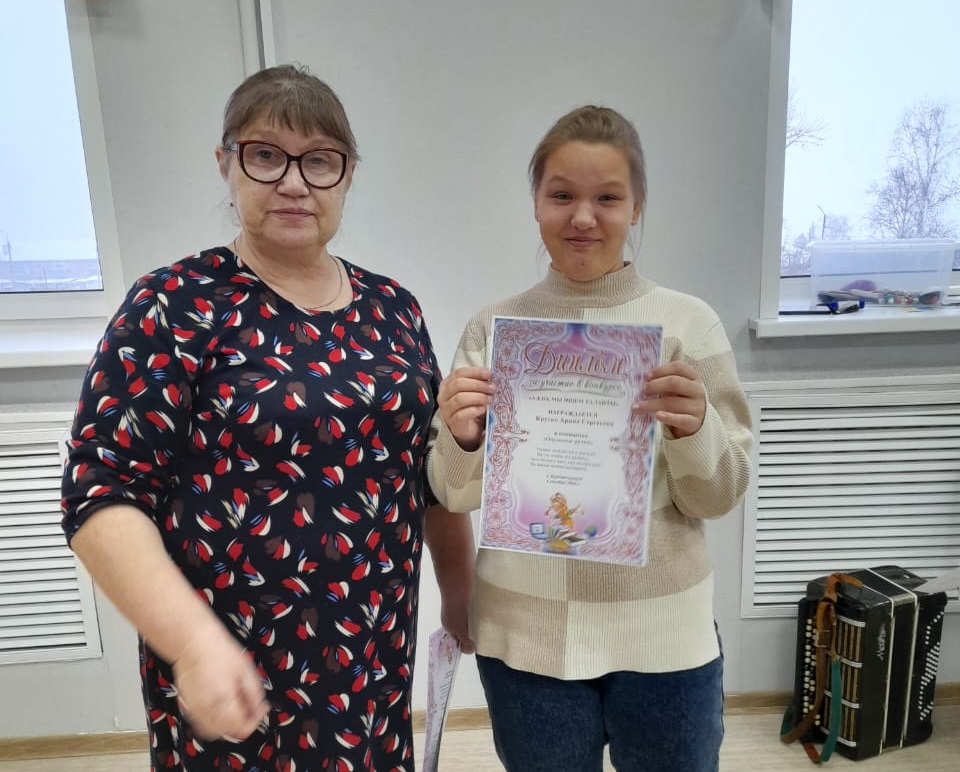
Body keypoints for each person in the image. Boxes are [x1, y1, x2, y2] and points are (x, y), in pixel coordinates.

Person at [61, 64, 449, 772]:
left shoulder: (394, 310)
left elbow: (429, 477)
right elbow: (101, 495)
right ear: (226, 163)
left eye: (320, 161)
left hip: (370, 667)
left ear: (348, 174)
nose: (294, 183)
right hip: (229, 673)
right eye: (266, 155)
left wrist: (463, 591)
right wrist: (192, 645)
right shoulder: (173, 304)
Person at [426, 105, 754, 772]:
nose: (583, 217)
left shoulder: (688, 324)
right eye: (561, 195)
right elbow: (453, 496)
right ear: (536, 203)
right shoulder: (494, 330)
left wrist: (695, 428)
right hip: (526, 640)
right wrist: (462, 438)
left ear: (637, 206)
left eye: (607, 197)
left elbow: (718, 496)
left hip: (663, 638)